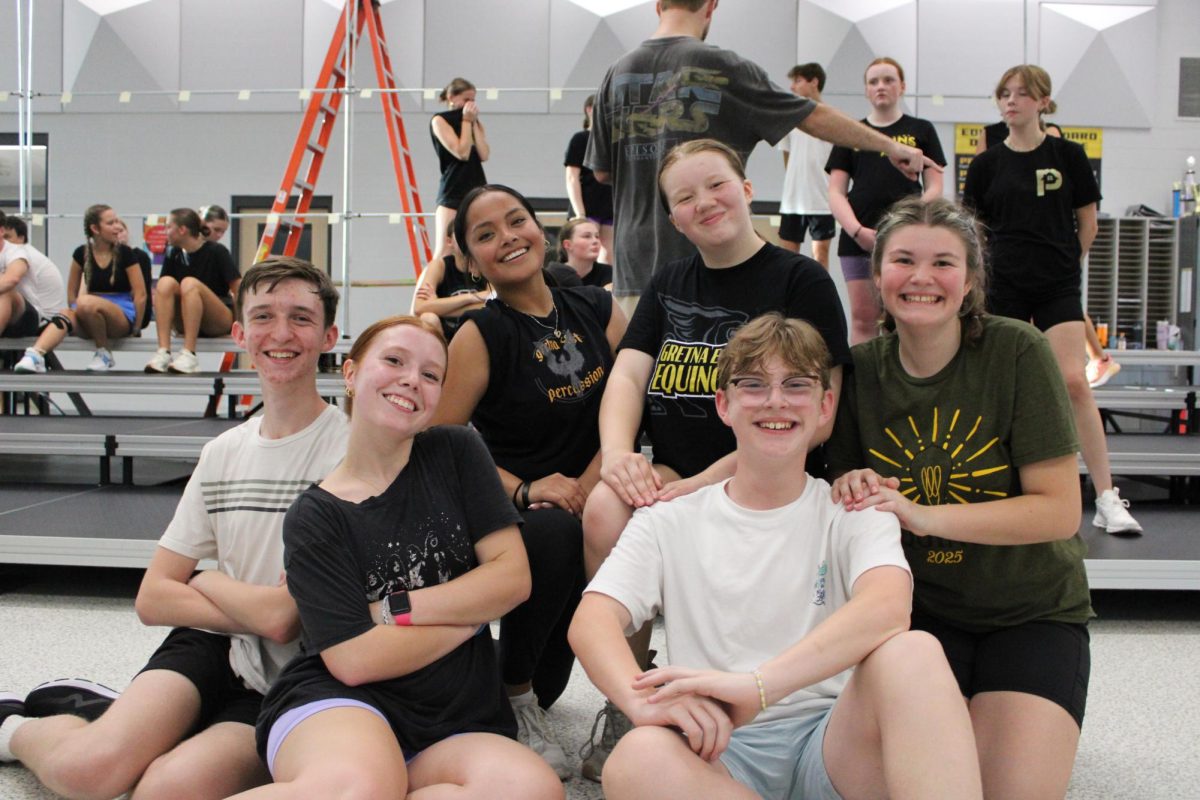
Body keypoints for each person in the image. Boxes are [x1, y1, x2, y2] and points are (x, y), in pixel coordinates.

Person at [569, 312, 983, 800]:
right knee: (635, 760)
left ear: (825, 405)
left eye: (796, 384)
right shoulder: (670, 520)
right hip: (718, 749)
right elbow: (591, 621)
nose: (775, 401)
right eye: (753, 384)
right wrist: (641, 705)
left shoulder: (851, 507)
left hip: (832, 740)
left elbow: (889, 607)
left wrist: (759, 688)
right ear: (723, 404)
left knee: (915, 653)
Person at [0, 257, 348, 799]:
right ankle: (15, 726)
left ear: (329, 335)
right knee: (87, 772)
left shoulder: (350, 453)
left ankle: (121, 715)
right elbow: (154, 598)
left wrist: (207, 581)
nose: (281, 333)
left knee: (164, 790)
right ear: (239, 333)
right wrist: (249, 607)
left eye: (301, 318)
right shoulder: (223, 452)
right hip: (210, 642)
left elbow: (285, 622)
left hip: (285, 676)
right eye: (263, 317)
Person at [577, 139, 851, 781]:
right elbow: (629, 374)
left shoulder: (799, 279)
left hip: (769, 470)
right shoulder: (671, 281)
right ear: (672, 218)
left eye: (716, 185)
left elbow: (819, 412)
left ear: (748, 189)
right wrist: (618, 455)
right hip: (675, 475)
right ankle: (634, 695)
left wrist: (701, 483)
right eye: (685, 197)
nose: (705, 202)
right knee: (603, 508)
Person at [227, 315, 563, 800]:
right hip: (340, 704)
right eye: (394, 361)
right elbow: (354, 660)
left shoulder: (457, 451)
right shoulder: (315, 515)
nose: (412, 379)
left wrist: (391, 611)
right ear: (350, 374)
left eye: (431, 375)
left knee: (531, 789)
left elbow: (512, 581)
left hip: (455, 717)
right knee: (361, 787)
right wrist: (471, 616)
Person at [826, 196, 1093, 800]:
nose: (921, 278)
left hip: (1029, 614)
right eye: (903, 261)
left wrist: (923, 515)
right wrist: (850, 484)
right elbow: (839, 481)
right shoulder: (860, 370)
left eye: (943, 263)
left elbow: (1057, 509)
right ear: (878, 272)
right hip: (917, 621)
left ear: (971, 280)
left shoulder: (1018, 352)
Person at [430, 184, 627, 779]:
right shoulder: (479, 335)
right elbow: (442, 445)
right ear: (469, 261)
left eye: (516, 221)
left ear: (541, 229)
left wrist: (592, 478)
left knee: (554, 680)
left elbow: (629, 400)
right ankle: (514, 700)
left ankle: (620, 700)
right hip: (529, 512)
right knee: (550, 538)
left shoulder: (594, 306)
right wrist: (525, 488)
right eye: (485, 234)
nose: (508, 237)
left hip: (595, 489)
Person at [584, 0, 936, 315]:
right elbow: (812, 117)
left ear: (658, 6)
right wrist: (891, 146)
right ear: (711, 7)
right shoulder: (723, 66)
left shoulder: (616, 73)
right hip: (715, 268)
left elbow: (601, 173)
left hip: (634, 267)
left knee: (643, 381)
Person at [963, 64, 1140, 534]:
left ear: (1043, 102)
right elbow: (972, 232)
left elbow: (1089, 223)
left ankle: (1106, 497)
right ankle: (1000, 490)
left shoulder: (1069, 155)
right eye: (1004, 93)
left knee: (1073, 382)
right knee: (1002, 387)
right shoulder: (986, 165)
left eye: (1022, 94)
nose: (1011, 101)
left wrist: (1067, 264)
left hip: (1057, 284)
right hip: (1003, 287)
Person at [827, 57, 946, 344]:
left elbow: (935, 186)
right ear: (866, 90)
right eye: (874, 81)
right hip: (859, 239)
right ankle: (863, 385)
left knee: (900, 317)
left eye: (888, 80)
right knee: (863, 318)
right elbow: (835, 192)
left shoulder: (922, 130)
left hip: (907, 237)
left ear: (902, 86)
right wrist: (857, 231)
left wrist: (910, 218)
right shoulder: (850, 133)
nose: (881, 86)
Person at [13, 206, 147, 373]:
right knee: (66, 313)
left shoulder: (126, 253)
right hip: (89, 312)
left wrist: (136, 329)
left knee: (86, 301)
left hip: (120, 314)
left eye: (116, 222)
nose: (117, 227)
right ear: (95, 229)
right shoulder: (81, 253)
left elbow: (140, 294)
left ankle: (104, 353)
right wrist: (79, 313)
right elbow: (72, 292)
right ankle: (35, 354)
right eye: (110, 223)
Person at [145, 207, 241, 374]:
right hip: (187, 318)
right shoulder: (173, 253)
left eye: (168, 227)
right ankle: (163, 352)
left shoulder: (217, 251)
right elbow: (164, 292)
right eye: (216, 230)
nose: (165, 232)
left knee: (189, 283)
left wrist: (242, 325)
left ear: (182, 230)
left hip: (217, 319)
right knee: (165, 283)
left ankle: (189, 353)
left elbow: (238, 289)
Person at [777, 63, 835, 269]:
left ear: (814, 82)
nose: (792, 87)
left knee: (820, 256)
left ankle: (819, 299)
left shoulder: (832, 119)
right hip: (792, 200)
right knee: (786, 257)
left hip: (821, 200)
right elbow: (787, 154)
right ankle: (787, 300)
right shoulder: (790, 118)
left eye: (798, 81)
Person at [430, 77, 490, 260]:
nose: (470, 104)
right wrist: (465, 121)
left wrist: (473, 124)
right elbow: (461, 151)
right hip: (453, 188)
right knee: (444, 250)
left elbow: (484, 154)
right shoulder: (440, 120)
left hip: (475, 186)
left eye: (473, 100)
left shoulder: (473, 122)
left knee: (475, 247)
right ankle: (426, 288)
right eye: (466, 99)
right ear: (452, 98)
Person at [411, 222, 490, 342]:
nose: (466, 241)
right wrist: (472, 297)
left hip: (477, 336)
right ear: (449, 241)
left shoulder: (487, 265)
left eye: (471, 235)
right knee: (428, 318)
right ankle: (439, 357)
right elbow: (420, 308)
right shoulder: (439, 266)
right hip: (445, 336)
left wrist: (438, 305)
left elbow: (495, 304)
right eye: (460, 236)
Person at [0, 211, 66, 353]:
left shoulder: (17, 252)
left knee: (6, 293)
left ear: (1, 231)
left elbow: (12, 279)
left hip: (32, 318)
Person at [564, 95, 615, 266]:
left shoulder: (612, 142)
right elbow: (572, 177)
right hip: (587, 205)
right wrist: (580, 213)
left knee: (608, 255)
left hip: (609, 206)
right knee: (584, 252)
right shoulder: (581, 138)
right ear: (590, 110)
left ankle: (603, 291)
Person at [548, 217, 613, 290]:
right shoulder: (552, 276)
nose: (595, 241)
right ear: (567, 244)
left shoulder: (609, 273)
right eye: (587, 236)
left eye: (597, 236)